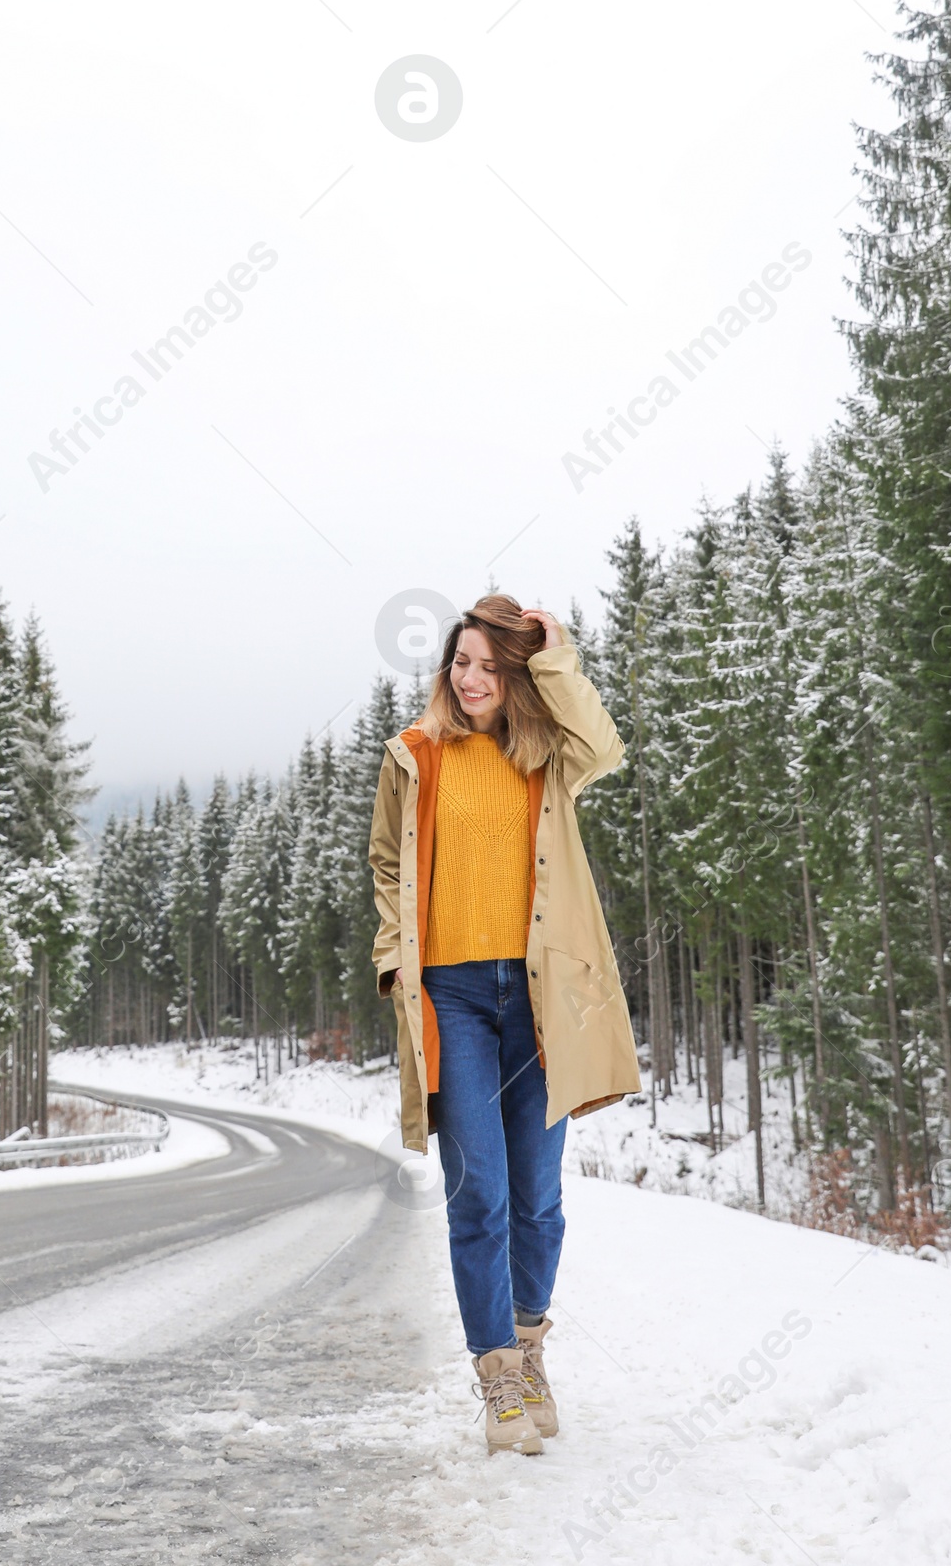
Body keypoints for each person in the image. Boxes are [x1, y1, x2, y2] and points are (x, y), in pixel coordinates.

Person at [369, 594, 639, 1455]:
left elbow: (607, 744)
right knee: (477, 1192)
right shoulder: (414, 757)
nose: (472, 677)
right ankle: (496, 1382)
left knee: (541, 1198)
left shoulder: (547, 756)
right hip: (450, 993)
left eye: (490, 664)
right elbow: (385, 861)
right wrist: (391, 959)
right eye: (461, 662)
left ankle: (529, 1350)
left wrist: (554, 652)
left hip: (537, 995)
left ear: (513, 676)